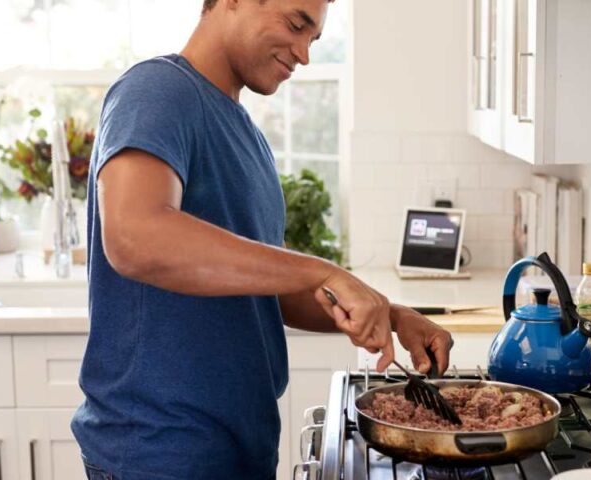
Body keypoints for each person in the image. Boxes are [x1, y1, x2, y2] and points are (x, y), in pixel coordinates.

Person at [71, 0, 454, 479]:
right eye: (297, 25)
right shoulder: (156, 90)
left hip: (237, 448)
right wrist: (324, 270)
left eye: (313, 39)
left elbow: (267, 293)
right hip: (160, 453)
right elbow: (134, 236)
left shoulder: (247, 136)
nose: (304, 54)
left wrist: (389, 314)